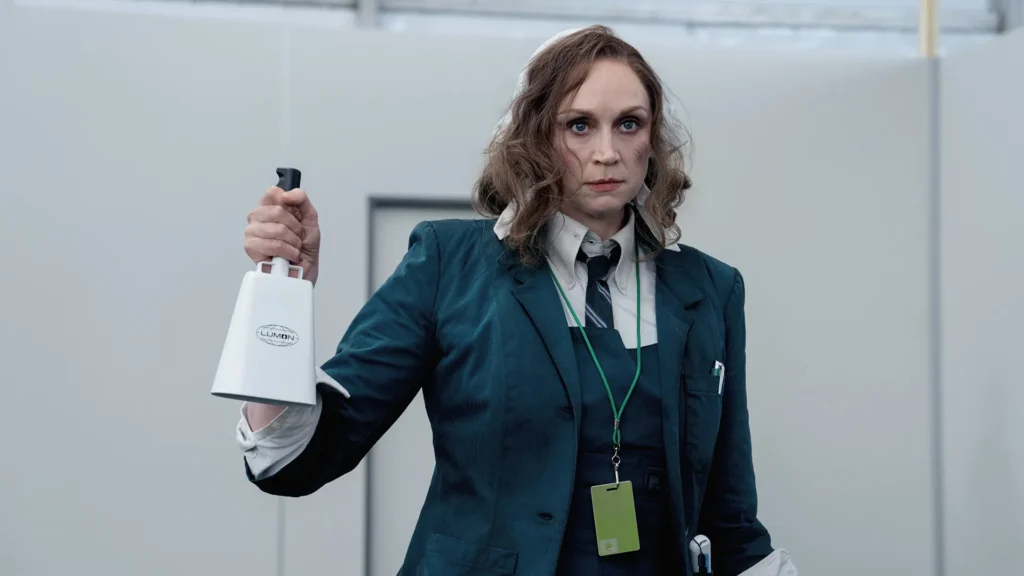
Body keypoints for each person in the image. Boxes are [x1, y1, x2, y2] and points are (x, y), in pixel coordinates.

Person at [235, 25, 797, 576]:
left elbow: (729, 522)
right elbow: (294, 460)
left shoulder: (711, 288)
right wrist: (282, 294)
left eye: (629, 123)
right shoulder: (450, 263)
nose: (607, 152)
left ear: (652, 138)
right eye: (579, 125)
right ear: (536, 138)